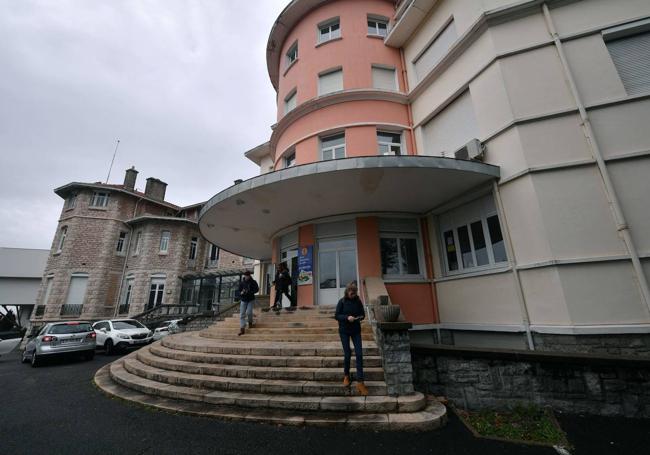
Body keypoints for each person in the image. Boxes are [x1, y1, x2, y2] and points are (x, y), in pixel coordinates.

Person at [334, 282, 368, 396]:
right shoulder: (342, 302)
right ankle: (346, 376)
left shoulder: (358, 301)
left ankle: (360, 381)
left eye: (354, 291)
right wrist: (346, 317)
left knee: (359, 354)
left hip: (356, 331)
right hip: (344, 331)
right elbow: (337, 315)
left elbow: (363, 314)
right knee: (347, 353)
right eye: (351, 291)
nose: (353, 293)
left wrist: (358, 318)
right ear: (347, 292)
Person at [238, 271, 259, 336]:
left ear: (249, 276)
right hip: (243, 300)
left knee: (249, 312)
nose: (246, 277)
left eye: (247, 276)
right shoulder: (242, 283)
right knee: (242, 314)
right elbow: (239, 290)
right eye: (245, 276)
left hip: (250, 299)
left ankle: (250, 322)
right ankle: (242, 328)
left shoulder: (253, 282)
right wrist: (241, 292)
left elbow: (257, 289)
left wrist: (250, 292)